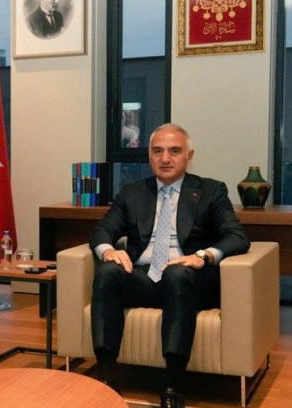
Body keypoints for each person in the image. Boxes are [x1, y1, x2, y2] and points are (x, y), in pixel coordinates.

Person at [88, 123, 250, 408]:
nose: (165, 158)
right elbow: (103, 231)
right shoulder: (132, 193)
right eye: (158, 151)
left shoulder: (211, 190)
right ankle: (107, 378)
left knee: (176, 274)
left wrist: (203, 256)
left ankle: (173, 386)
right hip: (143, 277)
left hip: (188, 281)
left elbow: (237, 236)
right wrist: (109, 251)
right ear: (149, 156)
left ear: (189, 156)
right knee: (108, 271)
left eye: (174, 151)